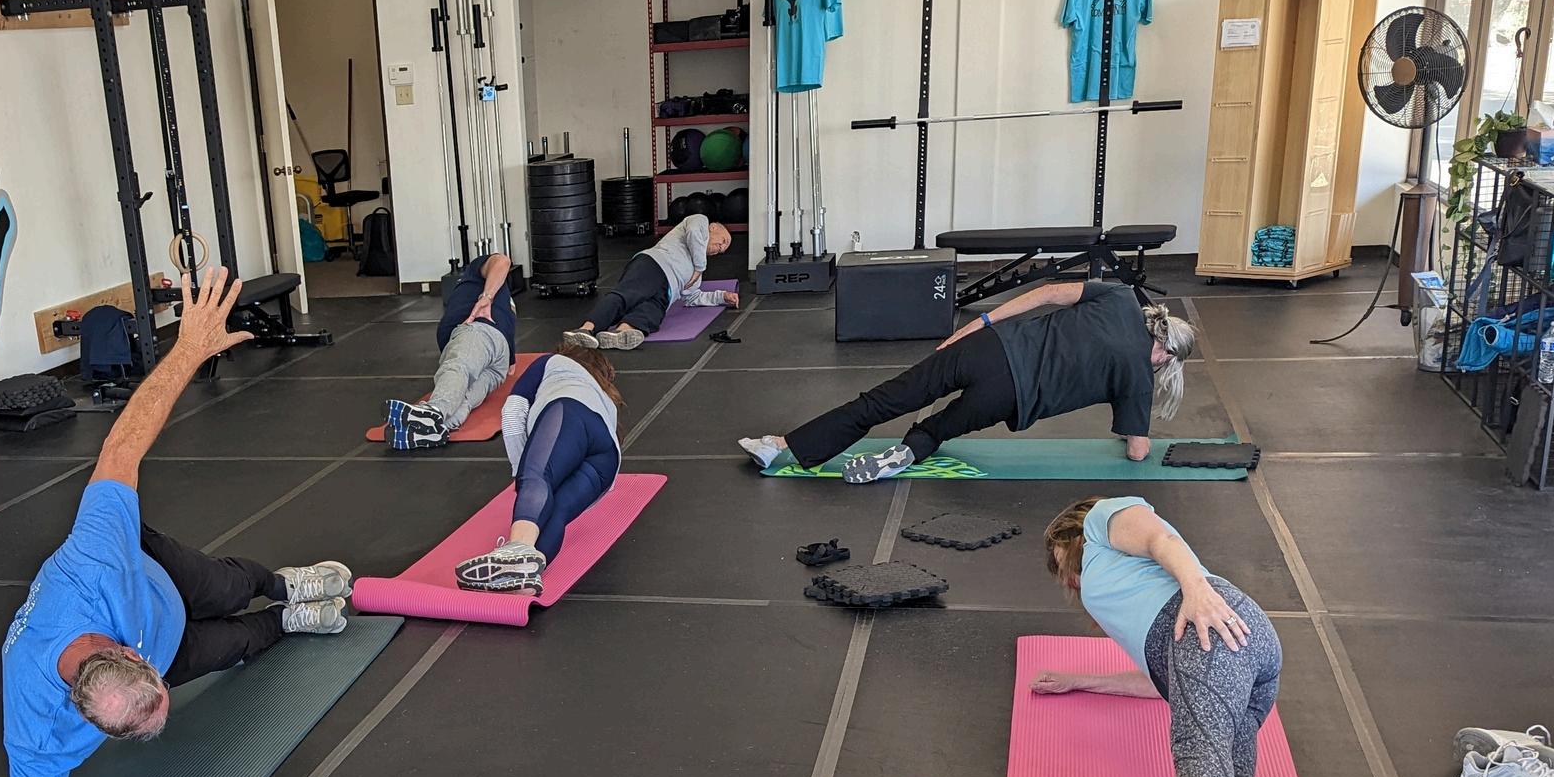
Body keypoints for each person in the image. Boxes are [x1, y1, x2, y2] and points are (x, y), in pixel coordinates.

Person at [1, 271, 355, 777]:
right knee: (239, 644)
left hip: (151, 574)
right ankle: (285, 619)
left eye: (159, 693)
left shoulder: (93, 564)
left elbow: (121, 447)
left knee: (232, 586)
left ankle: (282, 584)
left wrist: (189, 349)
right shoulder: (34, 717)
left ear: (131, 655)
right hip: (163, 640)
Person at [738, 279, 1194, 483]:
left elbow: (1048, 292)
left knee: (883, 399)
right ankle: (909, 451)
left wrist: (980, 322)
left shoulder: (1119, 297)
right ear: (1167, 353)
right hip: (1007, 395)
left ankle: (781, 445)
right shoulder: (1139, 377)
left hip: (988, 346)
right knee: (940, 426)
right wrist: (1138, 435)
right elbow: (1137, 451)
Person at [1031, 495, 1282, 777]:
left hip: (1208, 632)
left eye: (1064, 562)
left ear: (1071, 536)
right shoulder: (1126, 589)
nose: (1071, 579)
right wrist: (1079, 682)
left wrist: (1197, 591)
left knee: (1199, 757)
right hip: (1235, 644)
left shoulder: (1100, 520)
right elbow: (1170, 684)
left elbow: (1161, 538)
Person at [455, 347, 623, 594]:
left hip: (570, 411)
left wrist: (524, 472)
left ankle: (518, 548)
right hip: (608, 458)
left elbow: (513, 411)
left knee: (538, 476)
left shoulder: (552, 362)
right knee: (558, 511)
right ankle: (526, 575)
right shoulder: (604, 399)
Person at [383, 251, 516, 451]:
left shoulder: (474, 271)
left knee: (458, 365)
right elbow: (511, 367)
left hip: (478, 332)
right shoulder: (504, 305)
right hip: (499, 365)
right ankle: (436, 429)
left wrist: (486, 297)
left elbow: (502, 261)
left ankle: (434, 410)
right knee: (465, 397)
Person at [563, 214, 737, 355]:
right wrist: (699, 267)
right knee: (626, 296)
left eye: (724, 249)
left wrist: (721, 297)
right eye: (724, 241)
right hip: (653, 264)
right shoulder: (700, 221)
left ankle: (620, 332)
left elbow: (693, 297)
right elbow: (693, 233)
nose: (721, 248)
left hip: (667, 292)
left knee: (651, 315)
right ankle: (585, 330)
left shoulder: (697, 276)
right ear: (713, 228)